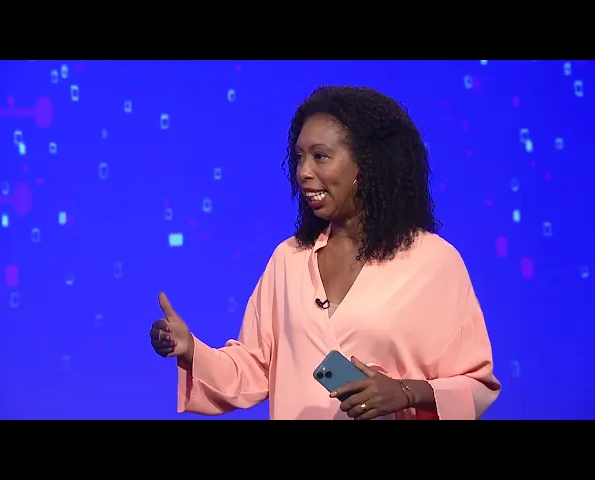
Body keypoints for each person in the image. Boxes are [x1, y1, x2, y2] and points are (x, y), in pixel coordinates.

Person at [149, 85, 501, 420]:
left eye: (320, 156)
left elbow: (475, 387)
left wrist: (404, 392)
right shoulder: (289, 259)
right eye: (299, 157)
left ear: (367, 164)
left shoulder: (432, 261)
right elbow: (254, 367)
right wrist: (192, 349)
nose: (303, 172)